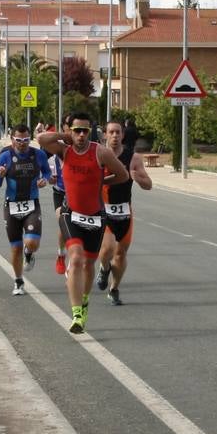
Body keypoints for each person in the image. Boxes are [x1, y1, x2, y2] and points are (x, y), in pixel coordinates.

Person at [37, 112, 129, 334]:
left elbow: (123, 175)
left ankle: (85, 302)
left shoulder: (100, 152)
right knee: (76, 258)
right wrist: (64, 135)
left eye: (84, 131)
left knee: (89, 264)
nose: (80, 135)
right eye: (76, 130)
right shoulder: (64, 151)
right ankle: (76, 313)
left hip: (96, 215)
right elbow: (41, 139)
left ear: (90, 132)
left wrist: (101, 181)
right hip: (71, 213)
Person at [96, 120, 154, 305]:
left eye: (118, 132)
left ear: (122, 135)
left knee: (120, 254)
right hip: (103, 211)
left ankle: (114, 289)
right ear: (104, 134)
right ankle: (104, 268)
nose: (114, 136)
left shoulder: (133, 158)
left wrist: (138, 178)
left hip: (124, 212)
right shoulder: (97, 155)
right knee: (107, 249)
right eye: (111, 132)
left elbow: (149, 185)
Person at [0, 124, 52, 297]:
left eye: (26, 140)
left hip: (32, 204)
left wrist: (45, 180)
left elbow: (47, 172)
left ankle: (29, 252)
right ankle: (18, 281)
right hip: (11, 205)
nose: (23, 143)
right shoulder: (5, 156)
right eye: (19, 140)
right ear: (12, 139)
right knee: (16, 247)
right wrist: (0, 176)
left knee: (31, 242)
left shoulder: (38, 155)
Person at [49, 113, 75, 276]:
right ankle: (61, 254)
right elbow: (42, 138)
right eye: (68, 130)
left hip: (79, 194)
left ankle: (73, 263)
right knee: (63, 223)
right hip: (61, 192)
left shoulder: (85, 146)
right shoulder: (57, 149)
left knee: (78, 229)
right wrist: (49, 178)